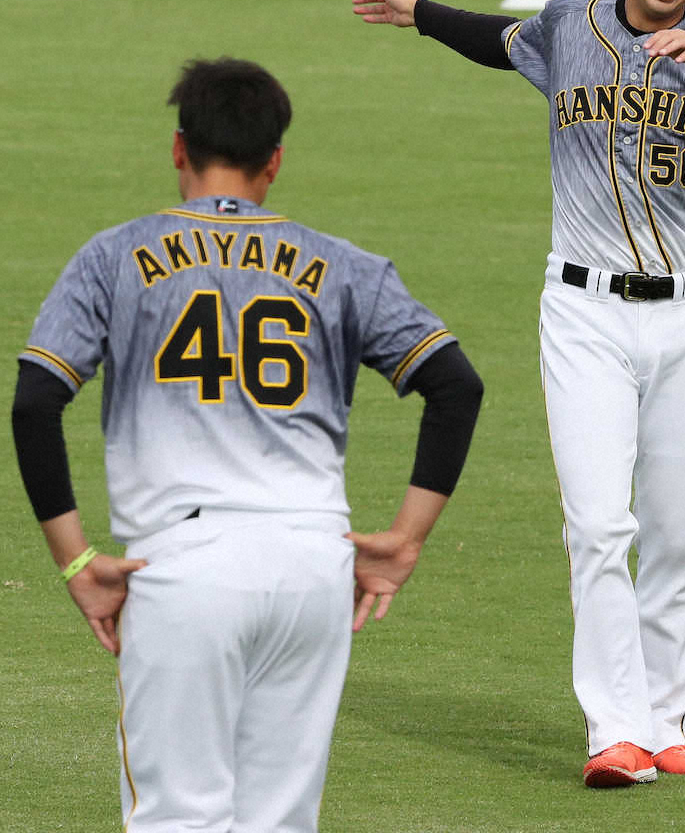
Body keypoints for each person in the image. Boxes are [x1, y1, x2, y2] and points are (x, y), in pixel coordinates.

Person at [352, 0, 685, 787]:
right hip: (584, 313)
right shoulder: (569, 25)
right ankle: (614, 733)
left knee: (674, 534)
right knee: (598, 525)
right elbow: (496, 38)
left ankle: (667, 725)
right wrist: (418, 11)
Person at [11, 57, 483, 830]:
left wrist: (76, 561)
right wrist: (403, 539)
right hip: (311, 570)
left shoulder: (112, 257)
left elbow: (36, 402)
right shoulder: (342, 266)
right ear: (274, 160)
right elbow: (455, 385)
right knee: (278, 821)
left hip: (184, 570)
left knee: (177, 818)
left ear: (177, 149)